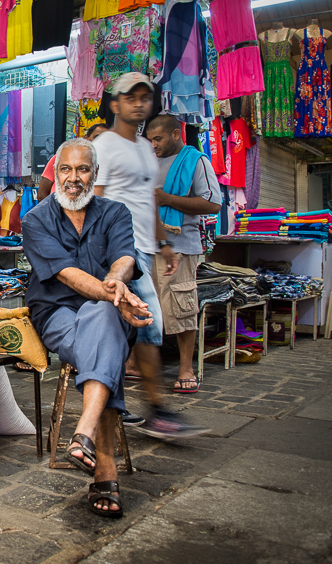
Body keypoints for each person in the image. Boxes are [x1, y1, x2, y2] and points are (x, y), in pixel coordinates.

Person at [23, 138, 153, 517]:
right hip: (58, 314)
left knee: (102, 319)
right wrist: (119, 297)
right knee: (106, 324)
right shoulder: (36, 220)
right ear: (55, 173)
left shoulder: (115, 212)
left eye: (82, 170)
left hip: (109, 313)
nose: (73, 178)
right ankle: (104, 462)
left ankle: (84, 435)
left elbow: (125, 256)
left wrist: (115, 282)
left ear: (95, 175)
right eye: (65, 169)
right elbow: (68, 275)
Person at [94, 72, 207, 439]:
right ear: (116, 104)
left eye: (145, 97)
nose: (139, 103)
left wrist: (165, 243)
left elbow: (148, 201)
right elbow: (94, 200)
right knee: (147, 327)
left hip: (145, 247)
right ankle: (157, 410)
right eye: (131, 97)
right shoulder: (105, 146)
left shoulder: (145, 147)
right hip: (119, 249)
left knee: (131, 332)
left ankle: (121, 407)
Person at [147, 115, 222, 393]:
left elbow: (213, 203)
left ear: (176, 134)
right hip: (146, 246)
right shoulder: (147, 162)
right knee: (143, 306)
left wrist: (168, 199)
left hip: (180, 246)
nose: (153, 145)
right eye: (151, 139)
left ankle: (186, 368)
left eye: (159, 139)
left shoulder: (196, 160)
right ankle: (135, 363)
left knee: (181, 306)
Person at [37, 123, 110, 199]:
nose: (73, 178)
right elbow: (42, 194)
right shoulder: (62, 156)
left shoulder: (108, 164)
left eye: (83, 169)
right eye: (97, 137)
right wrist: (52, 209)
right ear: (86, 138)